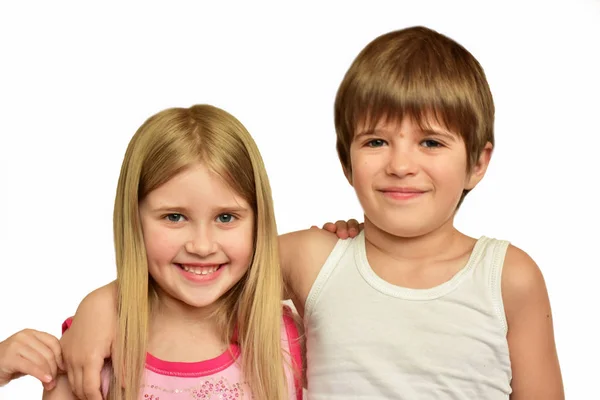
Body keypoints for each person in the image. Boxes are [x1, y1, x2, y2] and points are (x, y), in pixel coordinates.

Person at [61, 26, 564, 399]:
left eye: (431, 142)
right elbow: (200, 268)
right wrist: (101, 304)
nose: (401, 164)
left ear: (478, 162)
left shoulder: (509, 276)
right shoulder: (314, 257)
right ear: (347, 160)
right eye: (376, 141)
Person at [42, 104, 309, 399]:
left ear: (259, 221)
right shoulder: (91, 349)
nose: (202, 246)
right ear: (133, 219)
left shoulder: (291, 339)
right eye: (174, 217)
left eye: (225, 217)